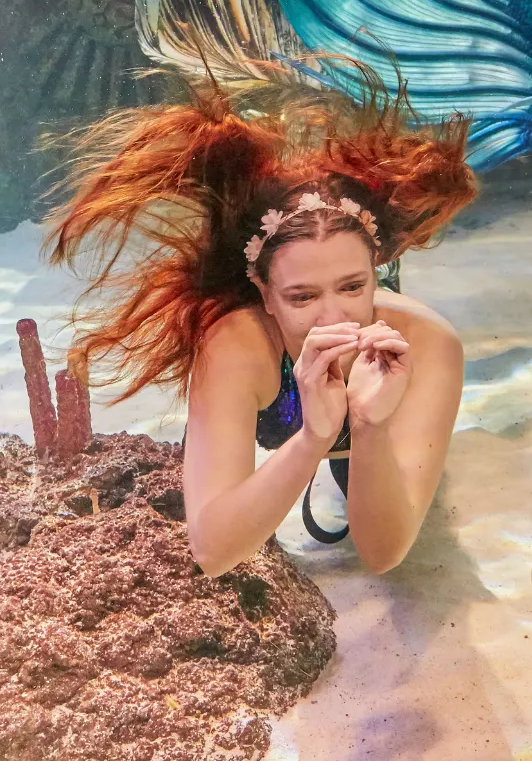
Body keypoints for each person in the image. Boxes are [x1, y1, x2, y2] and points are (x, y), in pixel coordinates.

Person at [44, 63, 475, 576]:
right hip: (281, 399)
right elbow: (213, 551)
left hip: (372, 425)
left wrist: (368, 427)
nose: (334, 318)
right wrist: (313, 438)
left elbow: (383, 555)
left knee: (366, 486)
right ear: (265, 296)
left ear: (376, 277)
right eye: (301, 298)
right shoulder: (236, 344)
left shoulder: (425, 343)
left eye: (354, 287)